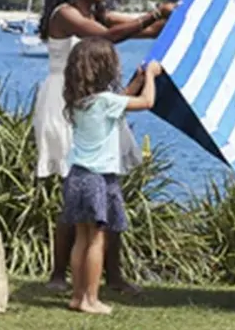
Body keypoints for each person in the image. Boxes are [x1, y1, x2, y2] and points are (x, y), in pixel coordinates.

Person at [32, 0, 175, 293]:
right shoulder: (64, 14)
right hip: (64, 100)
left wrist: (172, 18)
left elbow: (144, 30)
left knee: (108, 184)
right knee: (73, 185)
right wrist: (155, 12)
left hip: (95, 100)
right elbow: (105, 36)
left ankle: (112, 275)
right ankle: (57, 275)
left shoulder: (99, 13)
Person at [61, 38, 162, 314]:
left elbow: (124, 98)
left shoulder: (80, 101)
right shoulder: (106, 101)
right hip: (98, 179)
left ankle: (77, 296)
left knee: (82, 239)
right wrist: (151, 76)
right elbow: (146, 102)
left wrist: (138, 80)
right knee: (97, 240)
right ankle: (91, 299)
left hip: (76, 176)